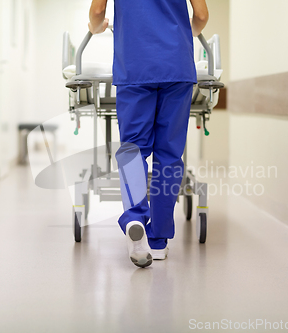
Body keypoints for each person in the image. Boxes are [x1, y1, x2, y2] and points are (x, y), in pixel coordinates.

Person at [88, 0, 208, 268]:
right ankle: (159, 240)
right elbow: (201, 15)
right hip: (177, 66)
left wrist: (97, 27)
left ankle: (134, 216)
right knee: (169, 154)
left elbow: (97, 13)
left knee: (133, 150)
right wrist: (186, 33)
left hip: (134, 66)